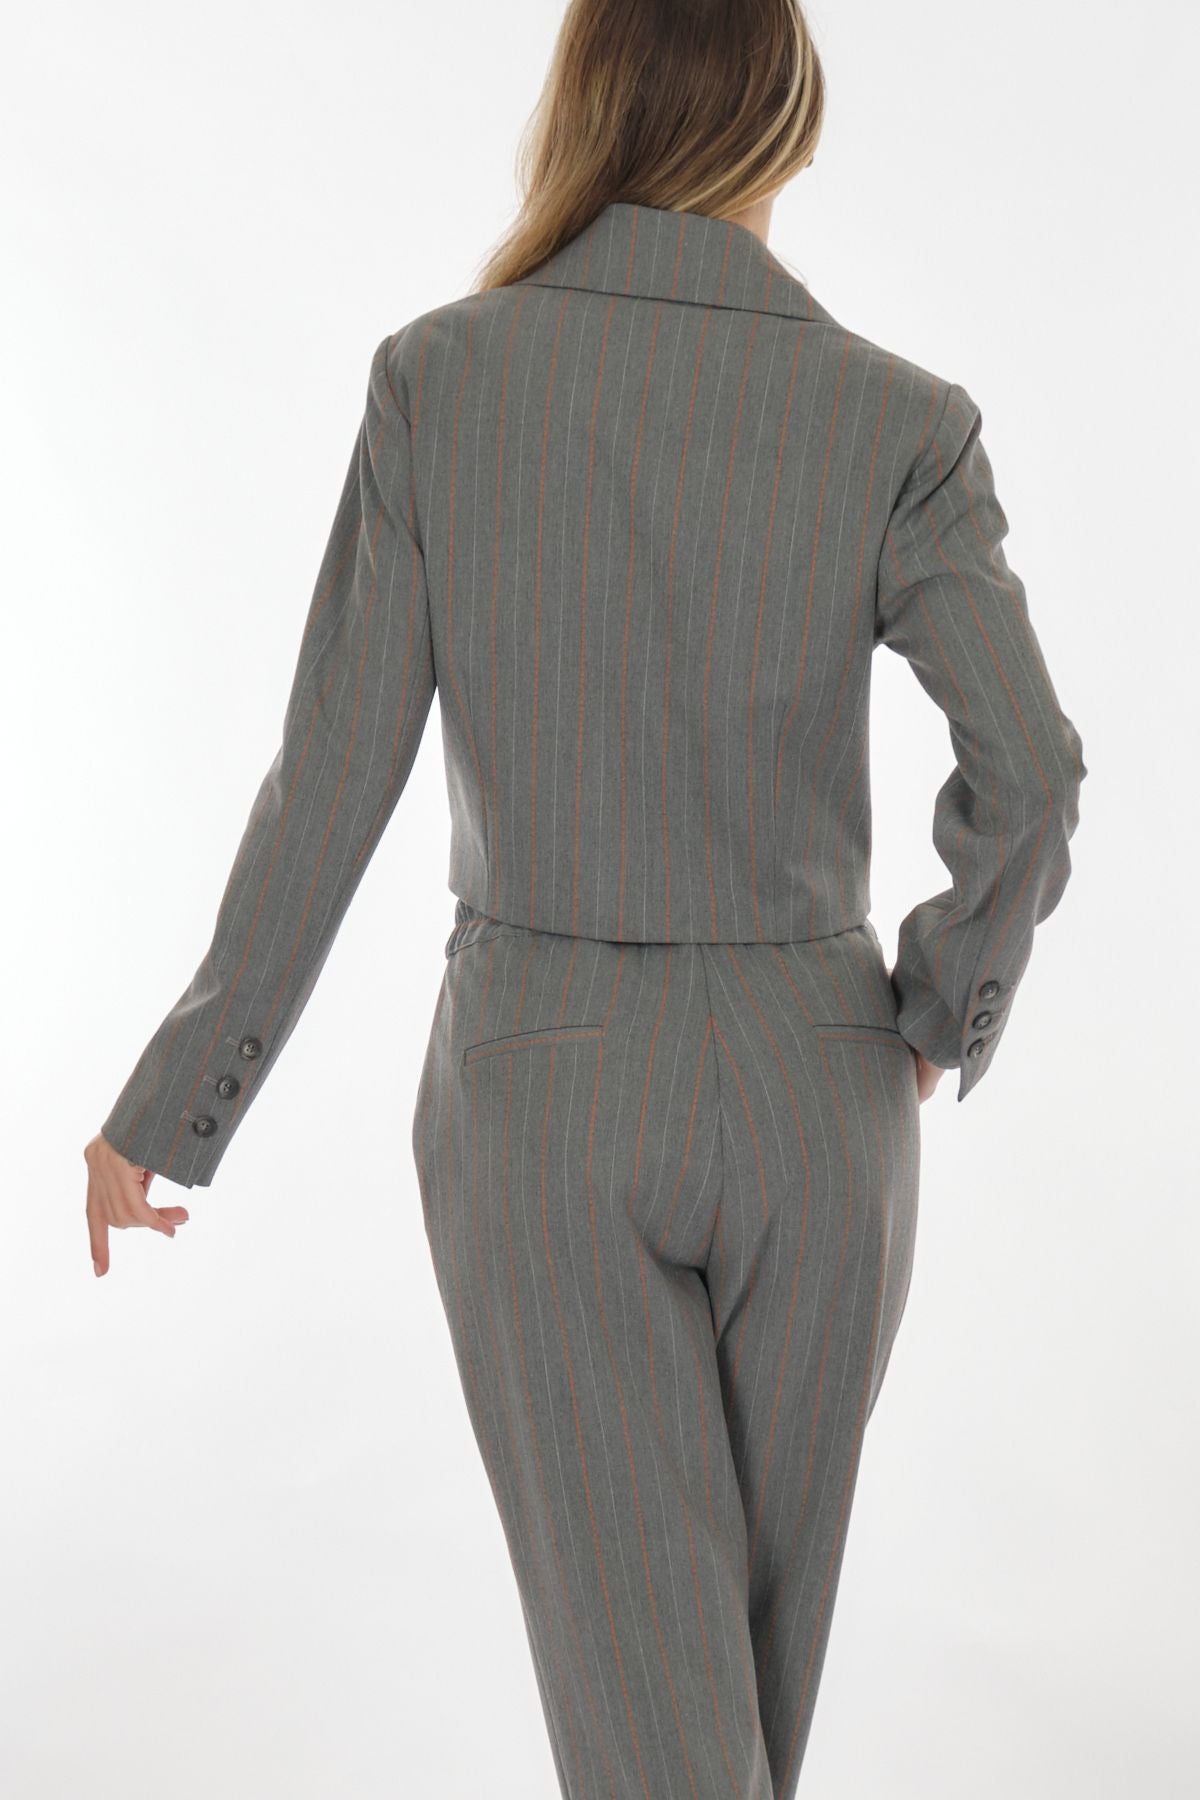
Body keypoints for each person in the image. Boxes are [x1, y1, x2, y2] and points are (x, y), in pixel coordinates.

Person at [83, 0, 1087, 1791]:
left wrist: (179, 1101)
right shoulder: (898, 420)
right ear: (789, 123)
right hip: (822, 1090)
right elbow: (1032, 770)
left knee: (676, 1747)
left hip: (544, 1087)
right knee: (725, 1731)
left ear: (589, 106)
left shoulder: (443, 381)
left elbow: (331, 781)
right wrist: (941, 1005)